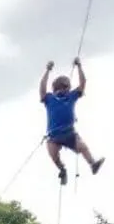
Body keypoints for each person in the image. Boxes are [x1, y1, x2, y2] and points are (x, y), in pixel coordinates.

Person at [40, 58, 104, 186]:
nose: (64, 89)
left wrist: (79, 66)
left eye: (66, 87)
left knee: (83, 147)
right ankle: (62, 169)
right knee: (53, 154)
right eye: (62, 87)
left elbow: (82, 83)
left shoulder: (71, 96)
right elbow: (42, 87)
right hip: (54, 136)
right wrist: (47, 70)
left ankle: (93, 164)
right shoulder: (50, 99)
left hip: (69, 133)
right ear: (55, 88)